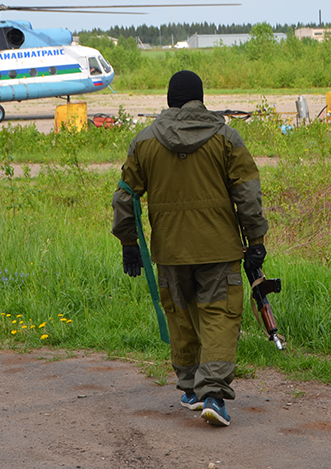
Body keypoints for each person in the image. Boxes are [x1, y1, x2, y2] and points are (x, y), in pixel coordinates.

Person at [112, 70, 269, 427]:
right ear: (201, 98)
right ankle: (212, 393)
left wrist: (129, 243)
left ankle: (189, 388)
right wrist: (256, 241)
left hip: (169, 251)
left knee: (180, 317)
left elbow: (126, 196)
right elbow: (247, 193)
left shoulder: (145, 141)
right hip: (219, 249)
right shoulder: (226, 138)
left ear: (170, 99)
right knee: (219, 317)